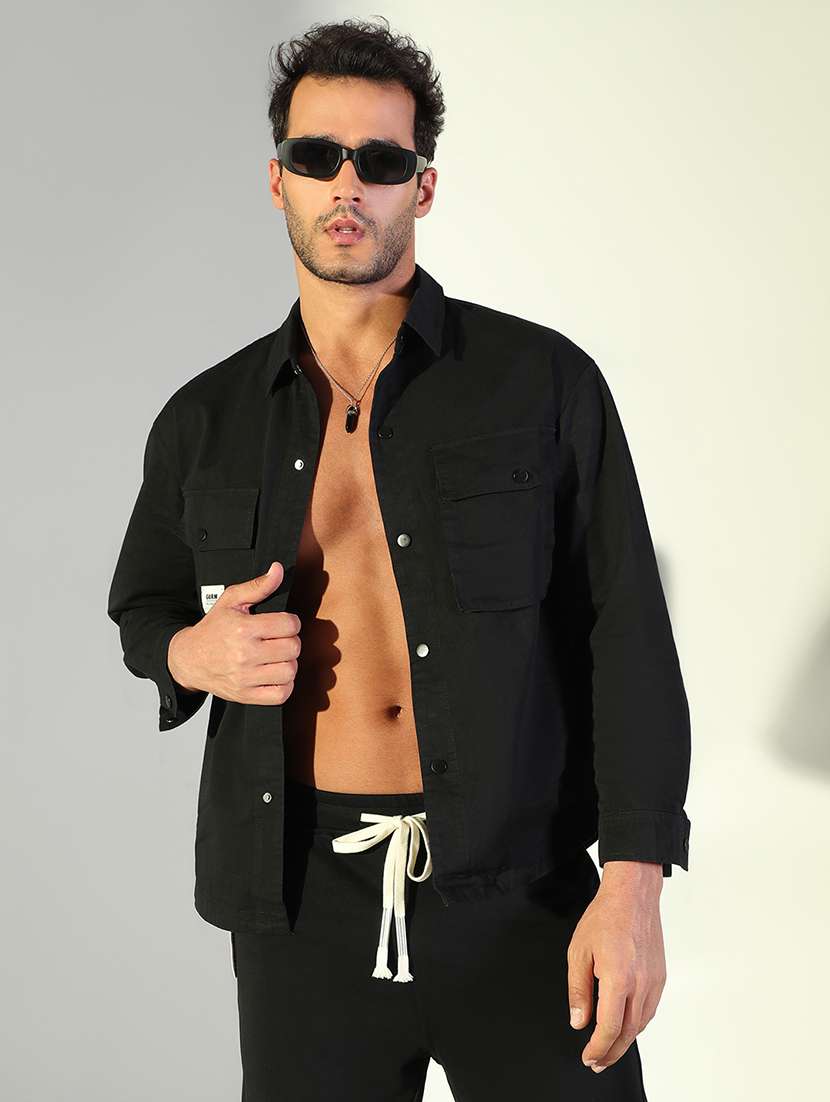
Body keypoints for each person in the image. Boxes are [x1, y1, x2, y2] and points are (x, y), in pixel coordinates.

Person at [107, 15, 691, 1101]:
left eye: (379, 161)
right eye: (316, 155)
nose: (347, 184)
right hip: (301, 910)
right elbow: (144, 606)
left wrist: (633, 885)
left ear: (420, 188)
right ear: (276, 179)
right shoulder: (206, 418)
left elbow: (626, 636)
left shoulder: (541, 383)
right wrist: (194, 654)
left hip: (521, 895)